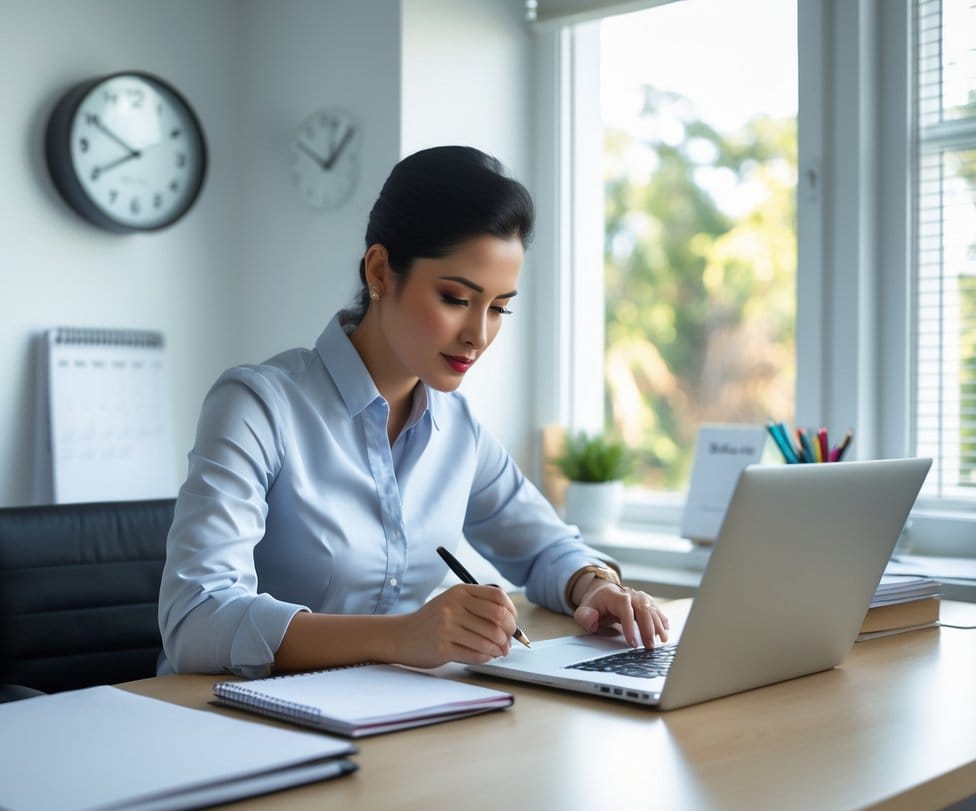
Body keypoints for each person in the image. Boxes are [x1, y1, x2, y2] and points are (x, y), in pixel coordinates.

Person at [159, 145, 668, 678]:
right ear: (380, 271)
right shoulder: (258, 406)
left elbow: (545, 547)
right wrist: (403, 635)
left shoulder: (458, 427)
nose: (479, 335)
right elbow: (195, 621)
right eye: (455, 298)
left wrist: (596, 587)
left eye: (498, 308)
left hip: (388, 716)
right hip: (233, 724)